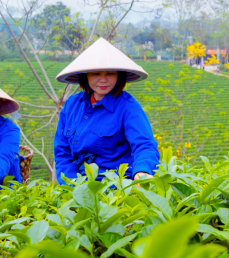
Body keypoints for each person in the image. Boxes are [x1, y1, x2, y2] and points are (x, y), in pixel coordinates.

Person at [54, 38, 159, 183]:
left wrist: (142, 171)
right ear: (85, 76)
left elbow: (144, 144)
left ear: (118, 76)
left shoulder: (128, 108)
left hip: (114, 189)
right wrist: (72, 186)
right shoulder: (72, 105)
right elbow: (62, 151)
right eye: (96, 74)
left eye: (110, 73)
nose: (103, 79)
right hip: (77, 188)